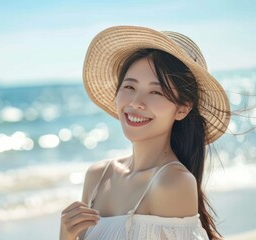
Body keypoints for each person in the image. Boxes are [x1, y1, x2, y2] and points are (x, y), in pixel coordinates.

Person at [60, 25, 231, 240]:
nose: (136, 103)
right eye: (129, 87)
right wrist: (65, 236)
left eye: (156, 92)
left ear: (182, 108)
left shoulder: (172, 183)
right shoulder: (97, 176)